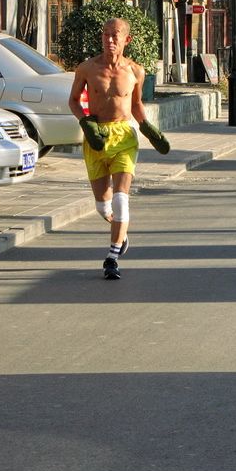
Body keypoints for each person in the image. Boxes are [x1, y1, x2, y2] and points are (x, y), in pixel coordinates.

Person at [69, 18, 170, 280]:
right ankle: (121, 234)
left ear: (127, 40)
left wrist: (148, 128)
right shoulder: (87, 68)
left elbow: (135, 105)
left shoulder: (136, 71)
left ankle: (112, 258)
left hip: (124, 136)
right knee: (104, 207)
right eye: (105, 35)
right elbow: (73, 101)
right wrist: (85, 123)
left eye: (115, 36)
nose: (109, 40)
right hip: (97, 137)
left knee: (121, 198)